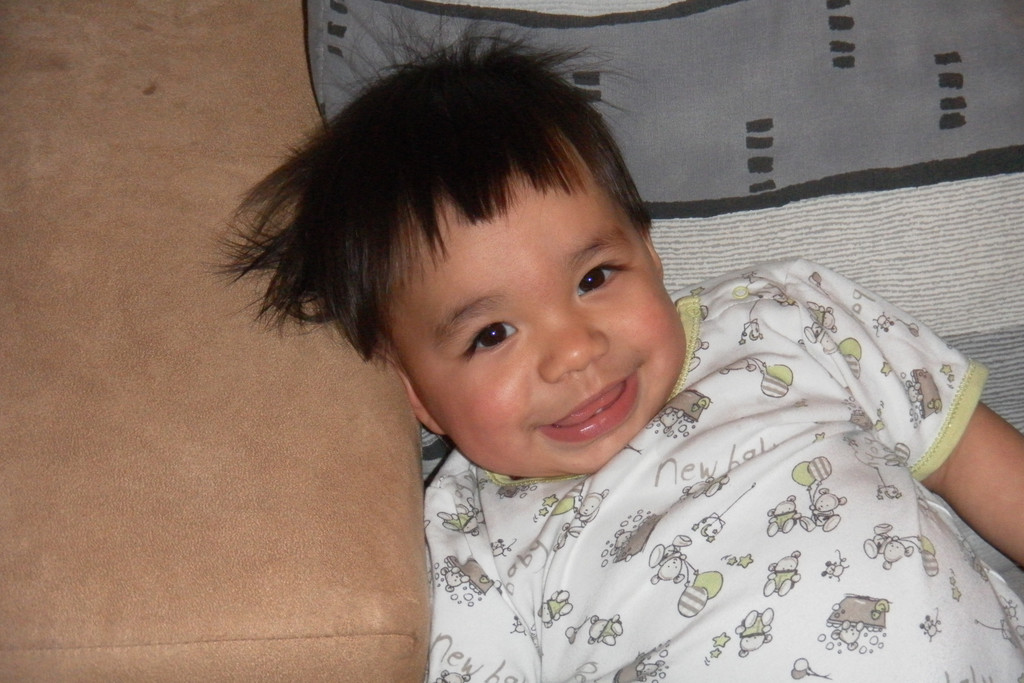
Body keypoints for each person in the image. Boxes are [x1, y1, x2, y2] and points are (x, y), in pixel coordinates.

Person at [227, 36, 1024, 681]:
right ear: (421, 399)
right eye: (492, 334)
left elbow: (975, 463)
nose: (575, 349)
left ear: (648, 248)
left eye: (595, 277)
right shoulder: (472, 546)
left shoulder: (789, 319)